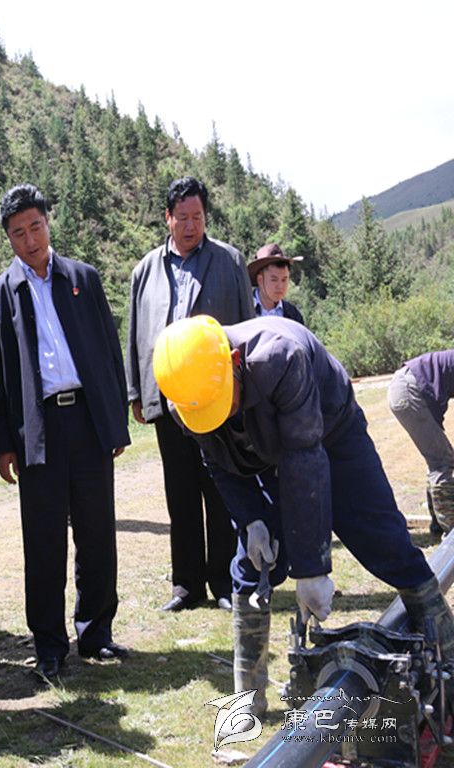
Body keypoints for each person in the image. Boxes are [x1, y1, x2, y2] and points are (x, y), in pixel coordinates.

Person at [153, 315, 454, 717]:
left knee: (385, 540)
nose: (220, 415)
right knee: (253, 565)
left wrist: (312, 569)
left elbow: (304, 459)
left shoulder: (283, 357)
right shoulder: (187, 395)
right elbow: (218, 462)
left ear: (236, 361)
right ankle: (248, 699)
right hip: (265, 452)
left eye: (223, 402)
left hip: (332, 433)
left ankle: (447, 655)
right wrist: (251, 519)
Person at [0, 184, 131, 682]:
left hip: (87, 419)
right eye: (18, 233)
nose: (30, 240)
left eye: (36, 227)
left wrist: (115, 419)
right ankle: (48, 644)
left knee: (97, 531)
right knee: (43, 541)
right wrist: (2, 444)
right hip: (37, 428)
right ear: (8, 238)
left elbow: (108, 351)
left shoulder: (82, 279)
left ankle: (96, 631)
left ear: (48, 223)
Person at [126, 175, 254, 612]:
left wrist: (245, 386)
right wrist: (136, 391)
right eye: (182, 217)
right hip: (168, 398)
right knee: (179, 493)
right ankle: (186, 586)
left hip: (216, 394)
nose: (190, 226)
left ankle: (224, 582)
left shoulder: (229, 261)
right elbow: (136, 332)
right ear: (167, 218)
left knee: (219, 487)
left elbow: (247, 326)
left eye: (197, 217)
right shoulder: (146, 270)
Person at [389, 350, 454, 534]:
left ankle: (437, 524)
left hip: (404, 387)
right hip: (411, 389)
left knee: (437, 460)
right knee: (443, 461)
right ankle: (451, 532)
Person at [248, 243, 304, 324]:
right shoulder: (243, 310)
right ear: (260, 280)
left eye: (284, 280)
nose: (280, 286)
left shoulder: (293, 315)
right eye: (274, 280)